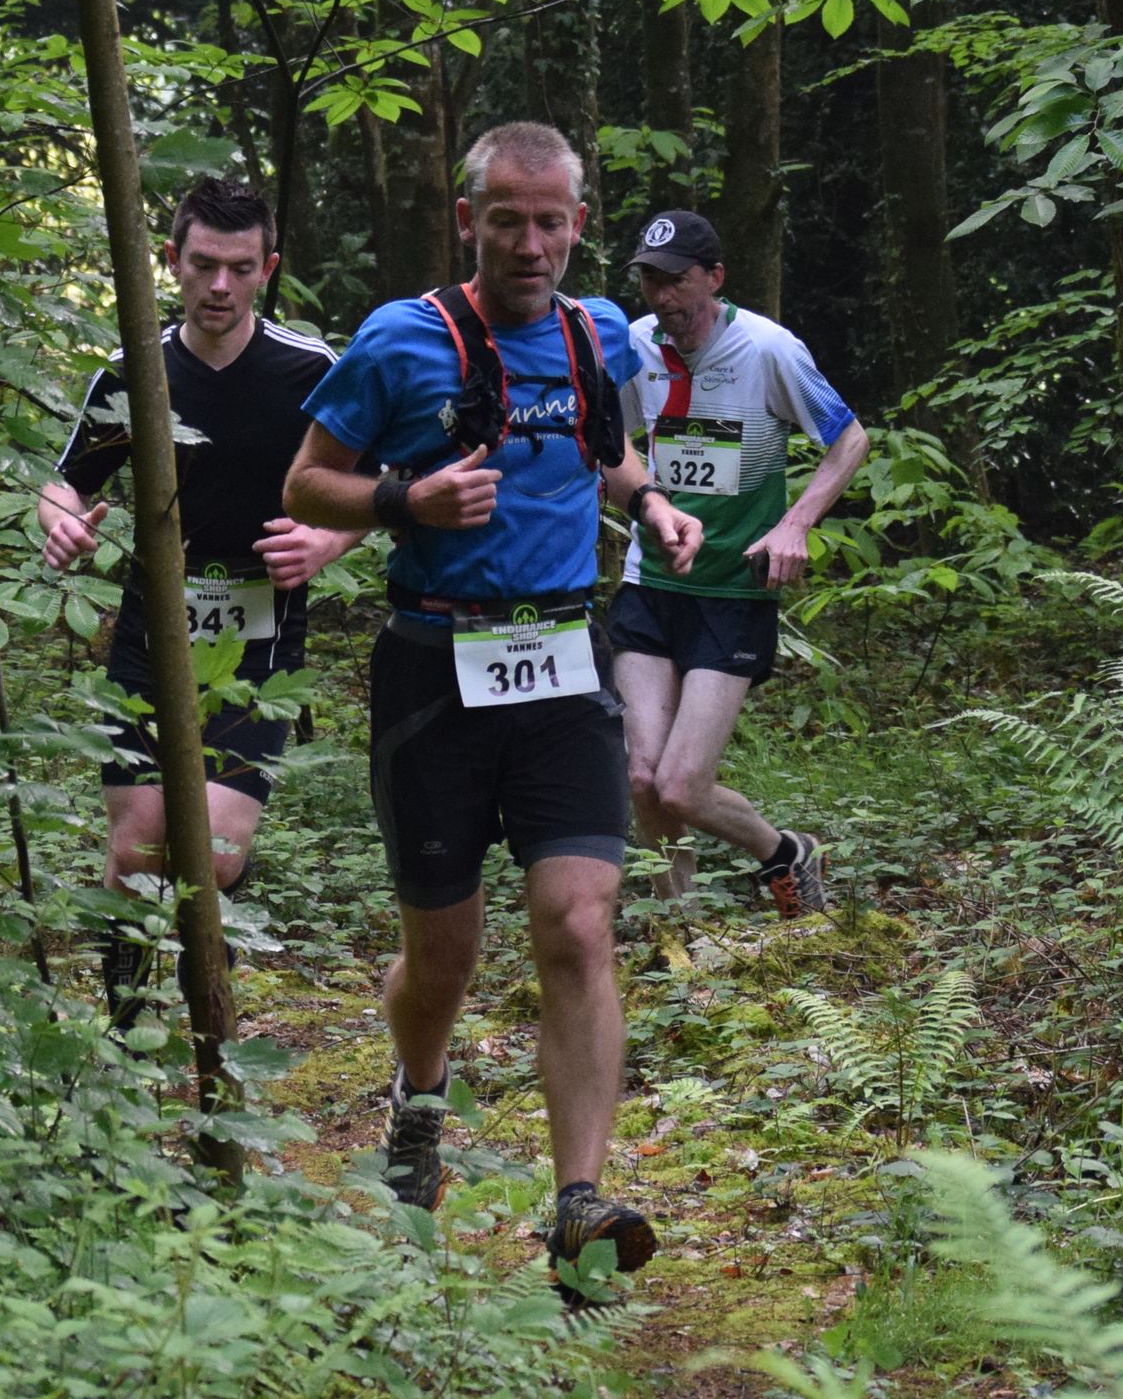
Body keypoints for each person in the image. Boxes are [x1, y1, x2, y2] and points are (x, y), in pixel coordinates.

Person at [283, 121, 705, 1297]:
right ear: (467, 219)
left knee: (577, 923)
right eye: (507, 221)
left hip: (564, 661)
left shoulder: (599, 334)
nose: (529, 244)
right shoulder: (398, 340)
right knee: (443, 957)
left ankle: (578, 1205)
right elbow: (305, 482)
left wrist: (652, 504)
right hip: (434, 672)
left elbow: (604, 449)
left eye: (550, 222)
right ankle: (420, 1099)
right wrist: (405, 500)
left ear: (579, 225)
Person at [41, 175, 358, 1023]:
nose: (221, 285)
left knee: (211, 856)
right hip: (152, 632)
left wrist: (325, 542)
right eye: (204, 265)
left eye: (241, 268)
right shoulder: (134, 372)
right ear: (171, 260)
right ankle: (120, 1032)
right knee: (136, 850)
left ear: (269, 269)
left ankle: (207, 1000)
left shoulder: (311, 371)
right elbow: (65, 484)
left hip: (259, 639)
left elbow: (379, 487)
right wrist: (63, 525)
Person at [612, 209, 870, 916]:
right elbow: (610, 441)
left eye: (677, 280)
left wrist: (795, 523)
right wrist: (649, 502)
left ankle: (785, 852)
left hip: (733, 590)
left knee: (681, 786)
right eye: (650, 281)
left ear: (715, 277)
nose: (663, 297)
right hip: (650, 580)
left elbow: (849, 439)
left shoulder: (768, 349)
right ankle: (683, 931)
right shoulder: (635, 345)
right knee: (641, 776)